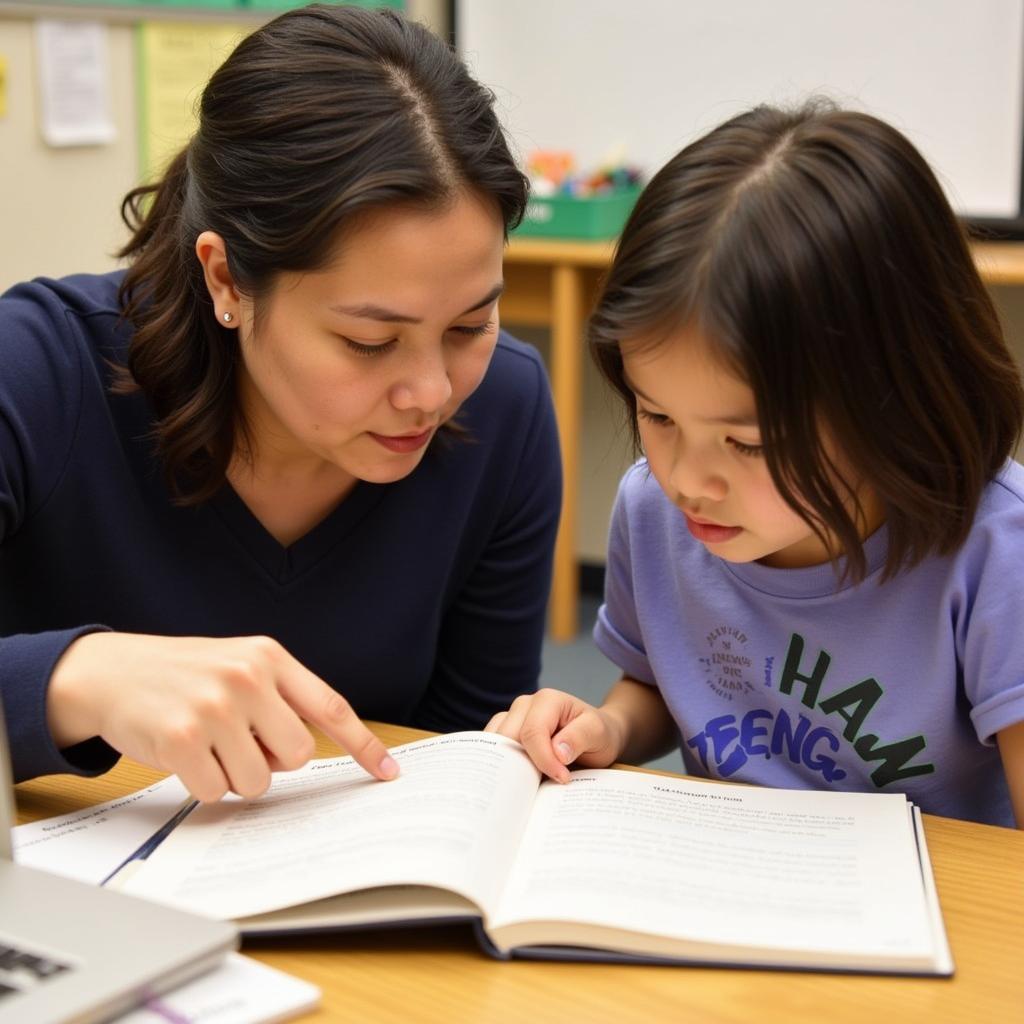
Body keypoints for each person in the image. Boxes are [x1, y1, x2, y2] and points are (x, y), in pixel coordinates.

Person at [0, 4, 561, 802]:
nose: (432, 393)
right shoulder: (35, 372)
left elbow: (467, 747)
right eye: (369, 343)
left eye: (471, 324)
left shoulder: (504, 404)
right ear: (226, 279)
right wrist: (76, 677)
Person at [487, 101, 1024, 829]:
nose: (686, 479)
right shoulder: (653, 513)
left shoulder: (997, 553)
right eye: (658, 416)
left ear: (893, 398)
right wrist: (608, 728)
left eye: (751, 444)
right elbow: (656, 684)